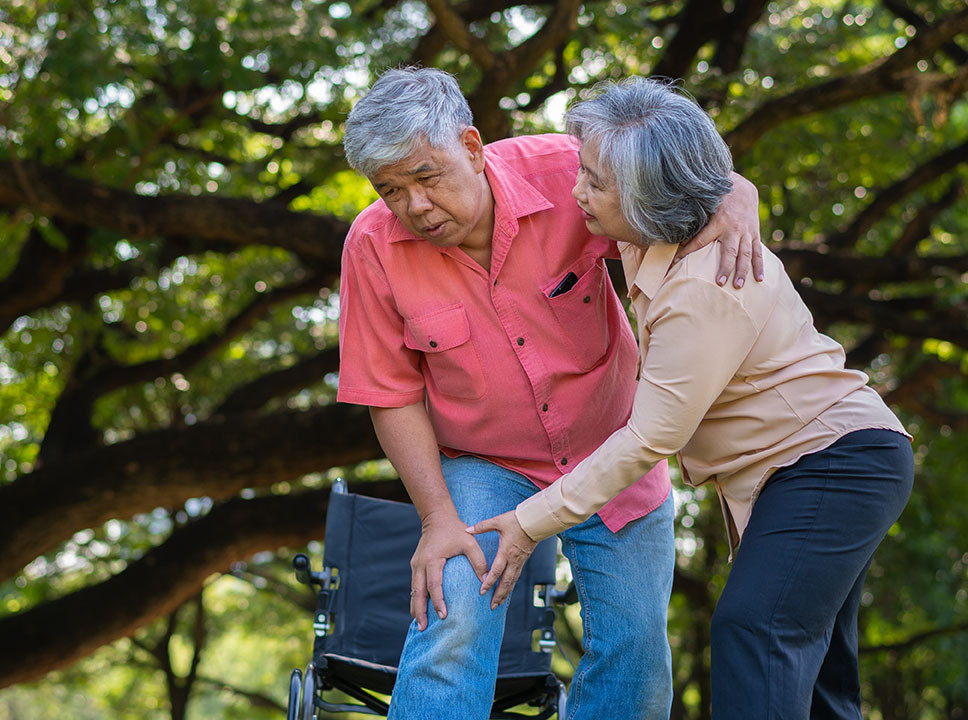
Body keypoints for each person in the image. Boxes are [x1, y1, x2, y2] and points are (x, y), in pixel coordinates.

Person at [471, 77, 914, 720]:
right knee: (817, 682)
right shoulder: (640, 231)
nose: (576, 191)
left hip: (834, 462)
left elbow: (651, 439)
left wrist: (526, 522)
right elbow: (687, 163)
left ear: (650, 196)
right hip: (824, 466)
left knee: (754, 632)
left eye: (595, 182)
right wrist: (737, 188)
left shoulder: (701, 287)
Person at [336, 67, 762, 720]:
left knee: (636, 649)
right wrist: (436, 518)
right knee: (452, 616)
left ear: (473, 147)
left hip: (613, 449)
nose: (415, 206)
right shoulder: (371, 245)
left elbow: (682, 168)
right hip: (484, 465)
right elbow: (389, 393)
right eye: (392, 190)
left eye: (427, 177)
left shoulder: (572, 170)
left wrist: (737, 192)